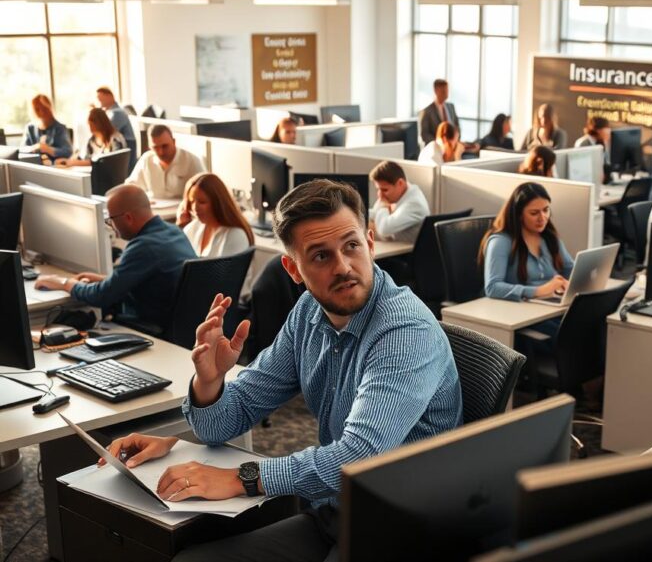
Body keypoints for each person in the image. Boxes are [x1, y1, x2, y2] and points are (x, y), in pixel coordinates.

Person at [98, 180, 462, 561]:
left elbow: (359, 456)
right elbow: (220, 424)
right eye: (320, 256)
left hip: (402, 527)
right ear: (293, 268)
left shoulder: (404, 331)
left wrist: (242, 479)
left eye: (351, 246)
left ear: (370, 244)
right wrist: (211, 381)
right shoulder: (309, 313)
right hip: (337, 511)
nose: (343, 267)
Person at [34, 184, 196, 325]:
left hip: (149, 326)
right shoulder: (173, 232)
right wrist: (106, 279)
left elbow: (102, 296)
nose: (111, 225)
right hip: (178, 323)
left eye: (110, 219)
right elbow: (150, 280)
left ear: (128, 218)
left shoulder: (143, 247)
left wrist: (64, 283)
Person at [480, 182, 574, 302]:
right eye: (534, 213)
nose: (542, 218)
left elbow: (569, 268)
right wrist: (538, 291)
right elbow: (492, 287)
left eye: (546, 210)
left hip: (550, 303)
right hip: (519, 310)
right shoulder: (501, 241)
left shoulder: (549, 236)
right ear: (519, 214)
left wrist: (570, 282)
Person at [177, 173, 254, 258]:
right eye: (192, 201)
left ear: (217, 203)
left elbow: (228, 271)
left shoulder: (235, 235)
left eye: (202, 202)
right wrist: (179, 228)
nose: (195, 207)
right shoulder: (192, 228)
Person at [126, 124, 207, 199]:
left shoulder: (191, 160)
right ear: (150, 147)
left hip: (180, 211)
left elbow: (205, 192)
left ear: (174, 142)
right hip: (154, 210)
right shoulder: (147, 159)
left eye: (165, 146)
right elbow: (131, 186)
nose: (161, 152)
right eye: (155, 148)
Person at [368, 160, 431, 242]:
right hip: (394, 247)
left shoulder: (415, 203)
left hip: (409, 253)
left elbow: (383, 229)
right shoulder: (399, 195)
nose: (380, 195)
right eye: (378, 189)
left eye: (384, 190)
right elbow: (376, 213)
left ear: (400, 183)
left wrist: (383, 208)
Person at [54, 107, 128, 167]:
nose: (90, 128)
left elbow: (112, 163)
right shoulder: (92, 140)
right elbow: (87, 159)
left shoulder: (115, 139)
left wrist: (74, 163)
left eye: (91, 124)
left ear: (98, 123)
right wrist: (69, 161)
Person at [22, 94, 73, 162]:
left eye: (44, 108)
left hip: (54, 167)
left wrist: (48, 149)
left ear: (49, 108)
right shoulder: (30, 128)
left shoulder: (60, 128)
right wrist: (35, 147)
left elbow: (67, 152)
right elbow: (22, 150)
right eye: (37, 109)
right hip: (35, 166)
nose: (41, 112)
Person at [96, 86, 137, 164]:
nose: (100, 103)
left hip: (125, 148)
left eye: (101, 99)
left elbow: (107, 133)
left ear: (109, 96)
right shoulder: (110, 113)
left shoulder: (117, 113)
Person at [419, 78, 461, 145]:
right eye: (443, 91)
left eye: (447, 90)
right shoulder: (427, 111)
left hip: (453, 146)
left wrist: (455, 140)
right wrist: (439, 143)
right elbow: (425, 134)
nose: (446, 93)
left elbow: (457, 126)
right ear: (436, 91)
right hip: (437, 148)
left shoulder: (451, 107)